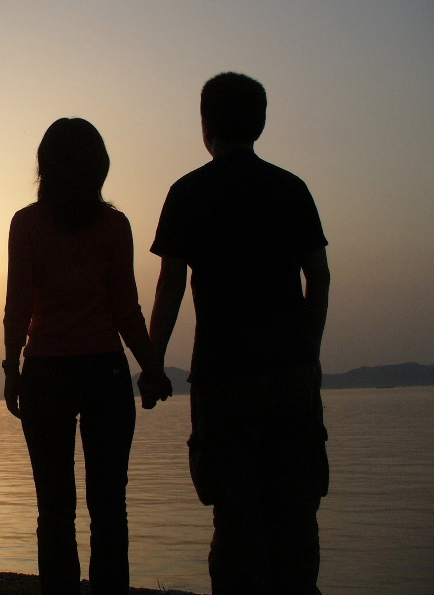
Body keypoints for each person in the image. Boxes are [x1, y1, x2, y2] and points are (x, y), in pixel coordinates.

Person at [148, 73, 331, 594]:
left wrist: (154, 363)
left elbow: (170, 287)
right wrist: (309, 352)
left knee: (234, 518)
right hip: (290, 374)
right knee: (296, 515)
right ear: (261, 123)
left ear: (205, 125)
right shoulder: (291, 188)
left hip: (222, 377)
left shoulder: (187, 192)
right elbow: (318, 277)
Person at [3, 117, 170, 595]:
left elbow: (18, 308)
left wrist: (12, 369)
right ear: (100, 167)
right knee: (109, 509)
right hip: (104, 372)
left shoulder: (26, 224)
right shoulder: (114, 226)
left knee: (54, 510)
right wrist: (151, 366)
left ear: (44, 166)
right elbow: (126, 310)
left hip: (46, 374)